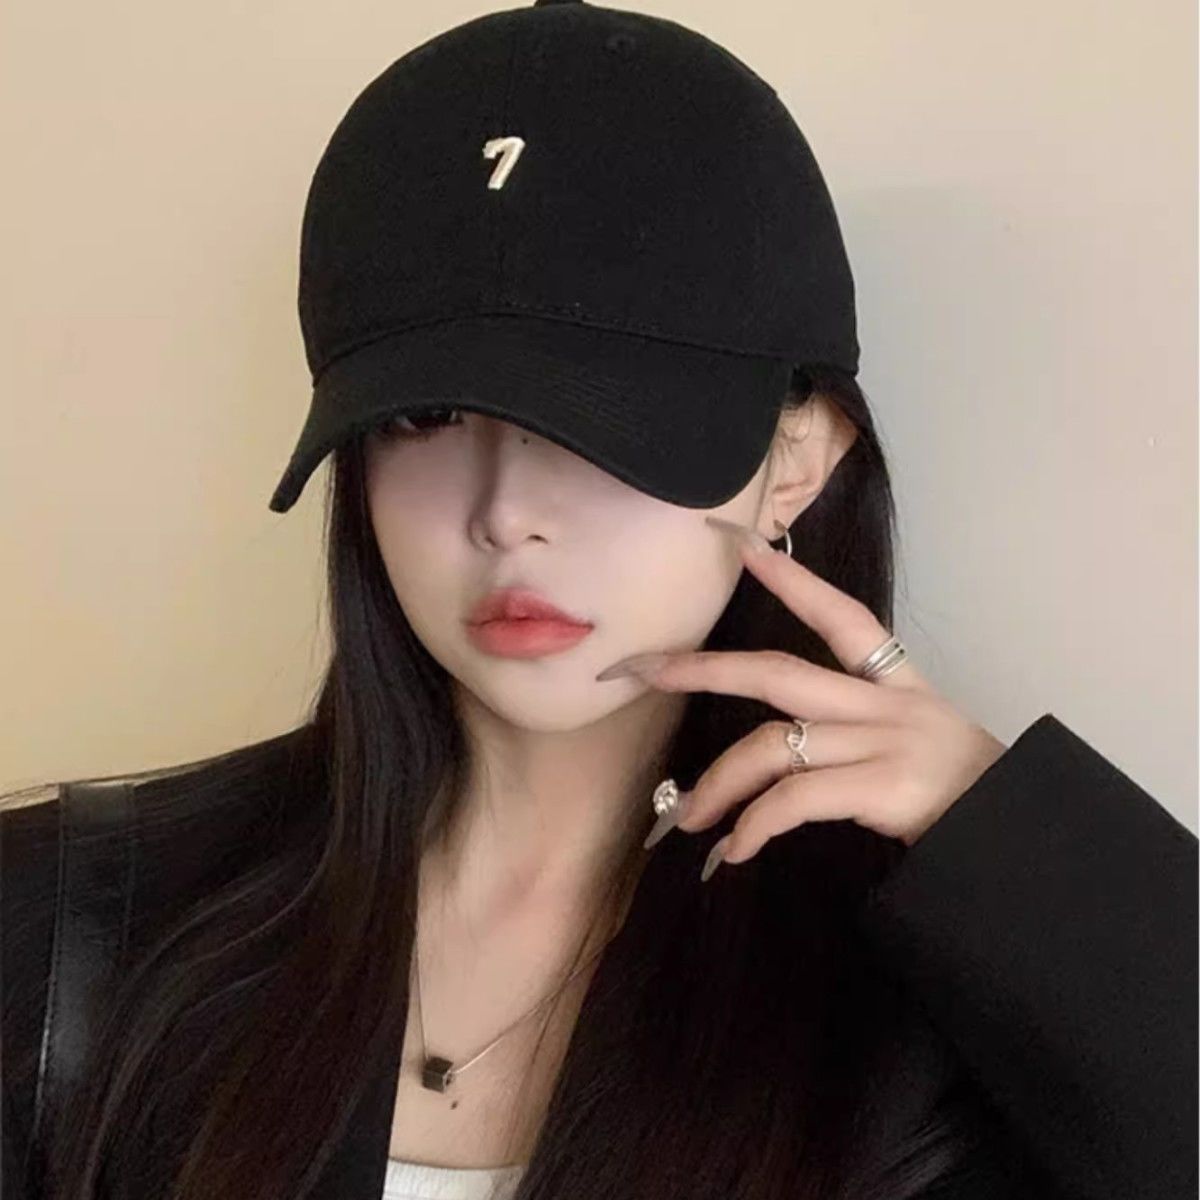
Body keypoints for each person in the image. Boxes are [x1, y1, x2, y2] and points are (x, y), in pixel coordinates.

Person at [2, 2, 1195, 1199]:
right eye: (426, 416)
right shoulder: (76, 930)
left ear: (794, 461)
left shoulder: (944, 1000)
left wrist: (1002, 824)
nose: (506, 510)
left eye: (604, 418)